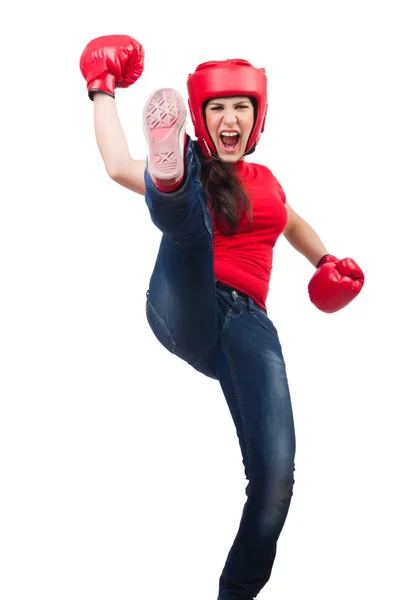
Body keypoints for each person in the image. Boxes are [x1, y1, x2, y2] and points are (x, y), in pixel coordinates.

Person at [80, 34, 365, 600]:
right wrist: (100, 89)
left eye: (241, 106)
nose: (230, 118)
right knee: (187, 225)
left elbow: (294, 226)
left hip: (248, 325)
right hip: (185, 298)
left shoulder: (268, 183)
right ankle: (171, 178)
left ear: (257, 118)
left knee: (275, 481)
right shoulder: (200, 163)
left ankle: (235, 595)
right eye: (217, 108)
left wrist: (328, 261)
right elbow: (115, 165)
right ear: (203, 119)